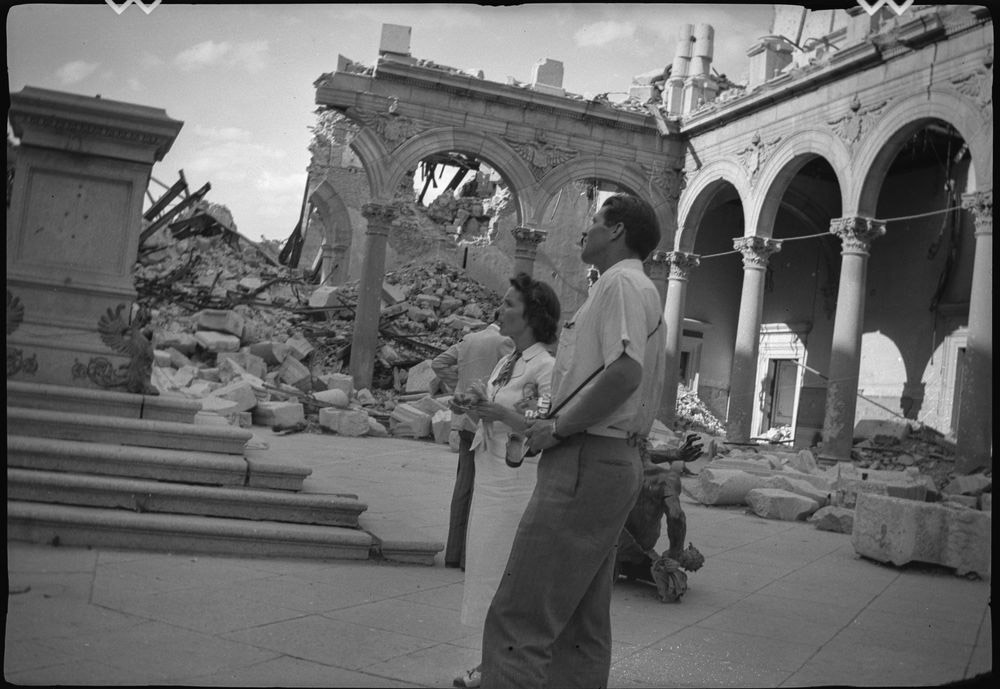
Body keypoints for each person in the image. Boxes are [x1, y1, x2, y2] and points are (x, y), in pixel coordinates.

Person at [480, 193, 667, 689]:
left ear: (618, 230)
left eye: (594, 220)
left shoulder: (621, 283)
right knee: (581, 623)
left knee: (521, 616)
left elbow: (625, 372)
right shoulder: (634, 286)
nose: (585, 229)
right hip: (611, 460)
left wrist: (558, 427)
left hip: (585, 460)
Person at [452, 273, 561, 689]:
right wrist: (477, 405)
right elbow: (498, 410)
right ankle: (490, 662)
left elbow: (542, 425)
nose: (502, 310)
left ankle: (501, 667)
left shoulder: (546, 366)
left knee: (505, 572)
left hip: (516, 481)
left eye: (510, 304)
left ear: (532, 315)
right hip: (489, 474)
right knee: (484, 568)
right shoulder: (507, 360)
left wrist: (497, 414)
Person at [432, 311, 514, 570]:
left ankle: (454, 553)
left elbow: (438, 363)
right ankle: (470, 557)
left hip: (464, 420)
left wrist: (459, 385)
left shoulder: (469, 339)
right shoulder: (504, 342)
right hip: (487, 423)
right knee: (482, 489)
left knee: (462, 487)